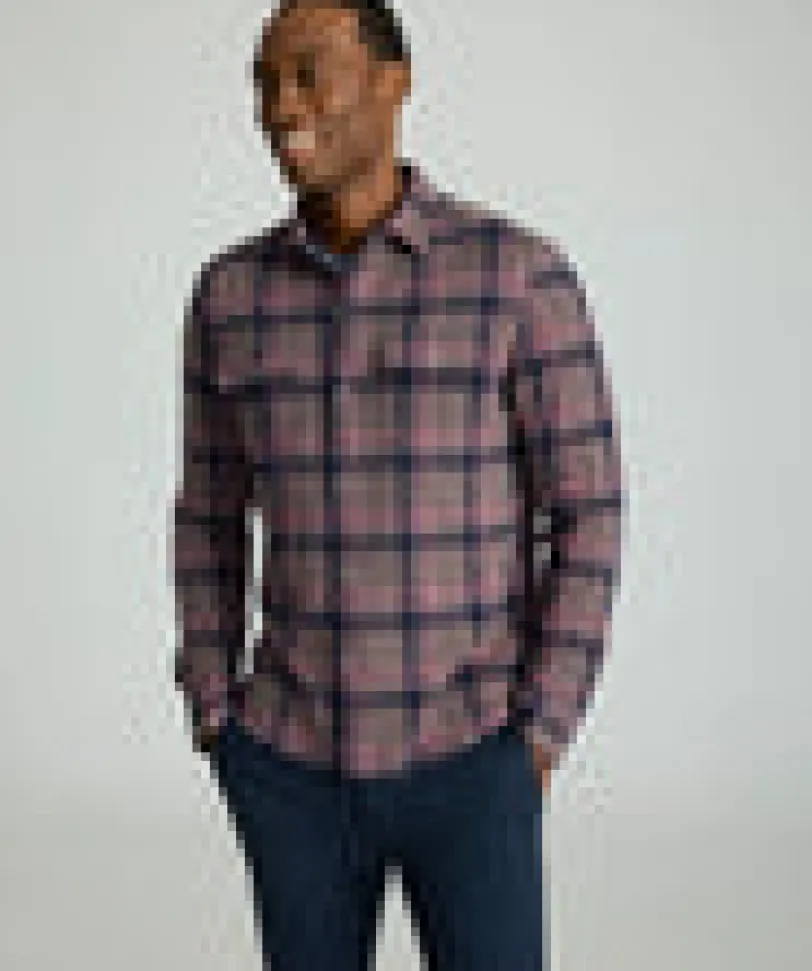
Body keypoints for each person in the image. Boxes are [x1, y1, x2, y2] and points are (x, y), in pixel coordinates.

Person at [171, 1, 624, 968]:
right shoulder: (229, 295)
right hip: (289, 766)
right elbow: (208, 516)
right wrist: (217, 711)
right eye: (264, 81)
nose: (280, 105)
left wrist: (541, 730)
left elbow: (587, 510)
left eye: (309, 72)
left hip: (473, 761)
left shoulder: (517, 277)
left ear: (395, 80)